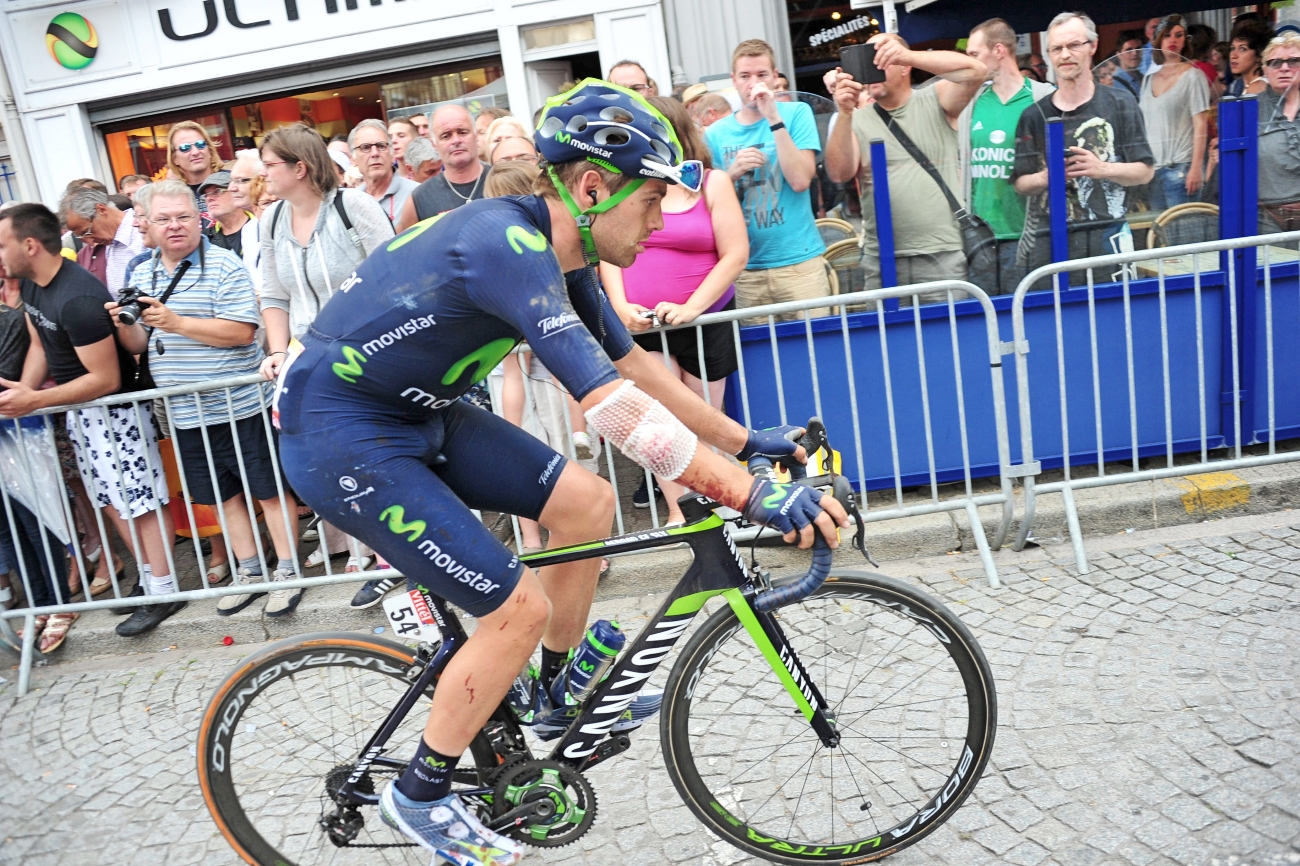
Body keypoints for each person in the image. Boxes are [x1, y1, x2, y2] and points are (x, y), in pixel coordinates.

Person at [271, 78, 847, 861]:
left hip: (413, 411)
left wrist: (746, 444)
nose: (660, 221)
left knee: (587, 502)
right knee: (515, 608)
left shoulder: (561, 250)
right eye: (650, 202)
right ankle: (421, 793)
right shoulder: (505, 247)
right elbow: (610, 408)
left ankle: (553, 688)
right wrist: (751, 495)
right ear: (590, 186)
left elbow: (637, 367)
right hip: (341, 436)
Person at [108, 180, 299, 617]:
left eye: (184, 217)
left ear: (200, 220)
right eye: (164, 219)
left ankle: (289, 573)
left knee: (269, 491)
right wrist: (122, 322)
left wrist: (175, 321)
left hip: (240, 405)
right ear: (148, 225)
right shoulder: (141, 273)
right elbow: (138, 345)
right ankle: (250, 572)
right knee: (222, 495)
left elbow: (240, 332)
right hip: (184, 410)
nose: (175, 226)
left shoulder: (225, 266)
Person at [0, 204, 181, 638]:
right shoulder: (33, 285)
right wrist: (22, 396)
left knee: (138, 501)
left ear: (29, 245)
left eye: (1, 244)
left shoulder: (78, 297)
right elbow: (41, 343)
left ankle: (165, 588)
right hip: (83, 412)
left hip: (113, 411)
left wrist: (32, 401)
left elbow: (106, 377)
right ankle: (148, 581)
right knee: (112, 499)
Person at [599, 96, 748, 524]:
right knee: (660, 421)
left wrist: (691, 308)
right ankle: (680, 511)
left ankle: (721, 501)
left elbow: (735, 253)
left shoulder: (712, 183)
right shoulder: (622, 184)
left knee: (704, 417)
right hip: (643, 325)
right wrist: (620, 305)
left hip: (703, 322)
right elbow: (609, 251)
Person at [257, 123, 393, 588]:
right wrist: (277, 351)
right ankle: (360, 548)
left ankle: (392, 551)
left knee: (374, 454)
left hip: (366, 356)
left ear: (300, 166)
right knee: (333, 460)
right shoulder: (271, 220)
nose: (263, 174)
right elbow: (273, 295)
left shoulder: (354, 207)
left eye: (270, 164)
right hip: (309, 361)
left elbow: (391, 276)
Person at [825, 33, 985, 298]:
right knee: (886, 339)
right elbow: (838, 173)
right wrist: (843, 112)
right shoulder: (856, 118)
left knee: (948, 336)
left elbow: (976, 70)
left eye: (881, 57)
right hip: (882, 258)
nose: (874, 67)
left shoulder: (934, 99)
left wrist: (908, 55)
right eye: (869, 59)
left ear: (904, 67)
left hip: (940, 254)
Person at [1012, 12, 1155, 276]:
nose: (1065, 54)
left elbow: (1145, 172)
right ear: (1048, 54)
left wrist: (1102, 169)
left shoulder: (1121, 103)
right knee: (1054, 315)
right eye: (1057, 48)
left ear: (1093, 46)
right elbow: (1020, 183)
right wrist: (1048, 176)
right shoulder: (1033, 115)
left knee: (1116, 313)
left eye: (1074, 45)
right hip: (1051, 238)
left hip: (1108, 234)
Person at [706, 39, 828, 321]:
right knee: (758, 357)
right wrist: (731, 174)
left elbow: (800, 180)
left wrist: (773, 118)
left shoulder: (797, 113)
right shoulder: (715, 134)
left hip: (799, 262)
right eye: (745, 76)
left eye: (762, 75)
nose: (754, 83)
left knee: (814, 351)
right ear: (733, 81)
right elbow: (710, 206)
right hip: (745, 268)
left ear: (775, 77)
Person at [0, 249, 74, 652]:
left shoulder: (15, 314)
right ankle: (39, 605)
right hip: (11, 430)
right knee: (9, 528)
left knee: (37, 519)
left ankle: (59, 602)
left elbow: (12, 369)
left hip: (21, 430)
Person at [960, 18, 1056, 294]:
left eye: (975, 55)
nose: (970, 63)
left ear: (999, 51)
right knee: (984, 325)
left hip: (1030, 235)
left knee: (1031, 321)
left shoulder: (1042, 97)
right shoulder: (971, 101)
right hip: (980, 239)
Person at [1139, 15, 1211, 209]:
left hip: (1181, 166)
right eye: (1167, 35)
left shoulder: (1193, 76)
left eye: (1179, 35)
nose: (1173, 40)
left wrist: (1196, 168)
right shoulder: (1148, 79)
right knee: (1161, 236)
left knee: (1184, 234)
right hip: (1154, 170)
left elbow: (1200, 124)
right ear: (1158, 39)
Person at [399, 105, 489, 229]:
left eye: (462, 132)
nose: (456, 140)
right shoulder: (420, 198)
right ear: (434, 144)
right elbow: (405, 246)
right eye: (446, 136)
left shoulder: (504, 181)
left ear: (475, 135)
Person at [59, 187, 145, 296]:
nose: (90, 242)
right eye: (81, 237)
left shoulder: (142, 232)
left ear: (102, 210)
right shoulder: (110, 241)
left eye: (88, 231)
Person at [1258, 33, 1300, 233]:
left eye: (1294, 61)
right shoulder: (1249, 109)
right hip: (1265, 218)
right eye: (1275, 63)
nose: (1284, 68)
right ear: (1265, 70)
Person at [349, 119, 420, 227]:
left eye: (381, 146)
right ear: (353, 159)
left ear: (392, 155)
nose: (374, 153)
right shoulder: (350, 202)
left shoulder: (417, 193)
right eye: (365, 147)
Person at [200, 170, 261, 291]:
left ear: (235, 191)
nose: (209, 199)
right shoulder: (204, 239)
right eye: (206, 195)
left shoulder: (260, 227)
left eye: (217, 192)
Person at [166, 121, 225, 225]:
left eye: (200, 144)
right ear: (175, 159)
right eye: (185, 147)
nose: (195, 152)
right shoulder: (172, 196)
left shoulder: (232, 182)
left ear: (210, 150)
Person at [1229, 18, 1274, 96]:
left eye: (1243, 49)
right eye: (1232, 48)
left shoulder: (1256, 88)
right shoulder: (1242, 85)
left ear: (1259, 55)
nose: (1233, 55)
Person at [1112, 30, 1146, 98]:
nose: (1135, 53)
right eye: (1129, 50)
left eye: (1138, 49)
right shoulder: (1113, 83)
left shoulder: (1143, 78)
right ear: (1119, 55)